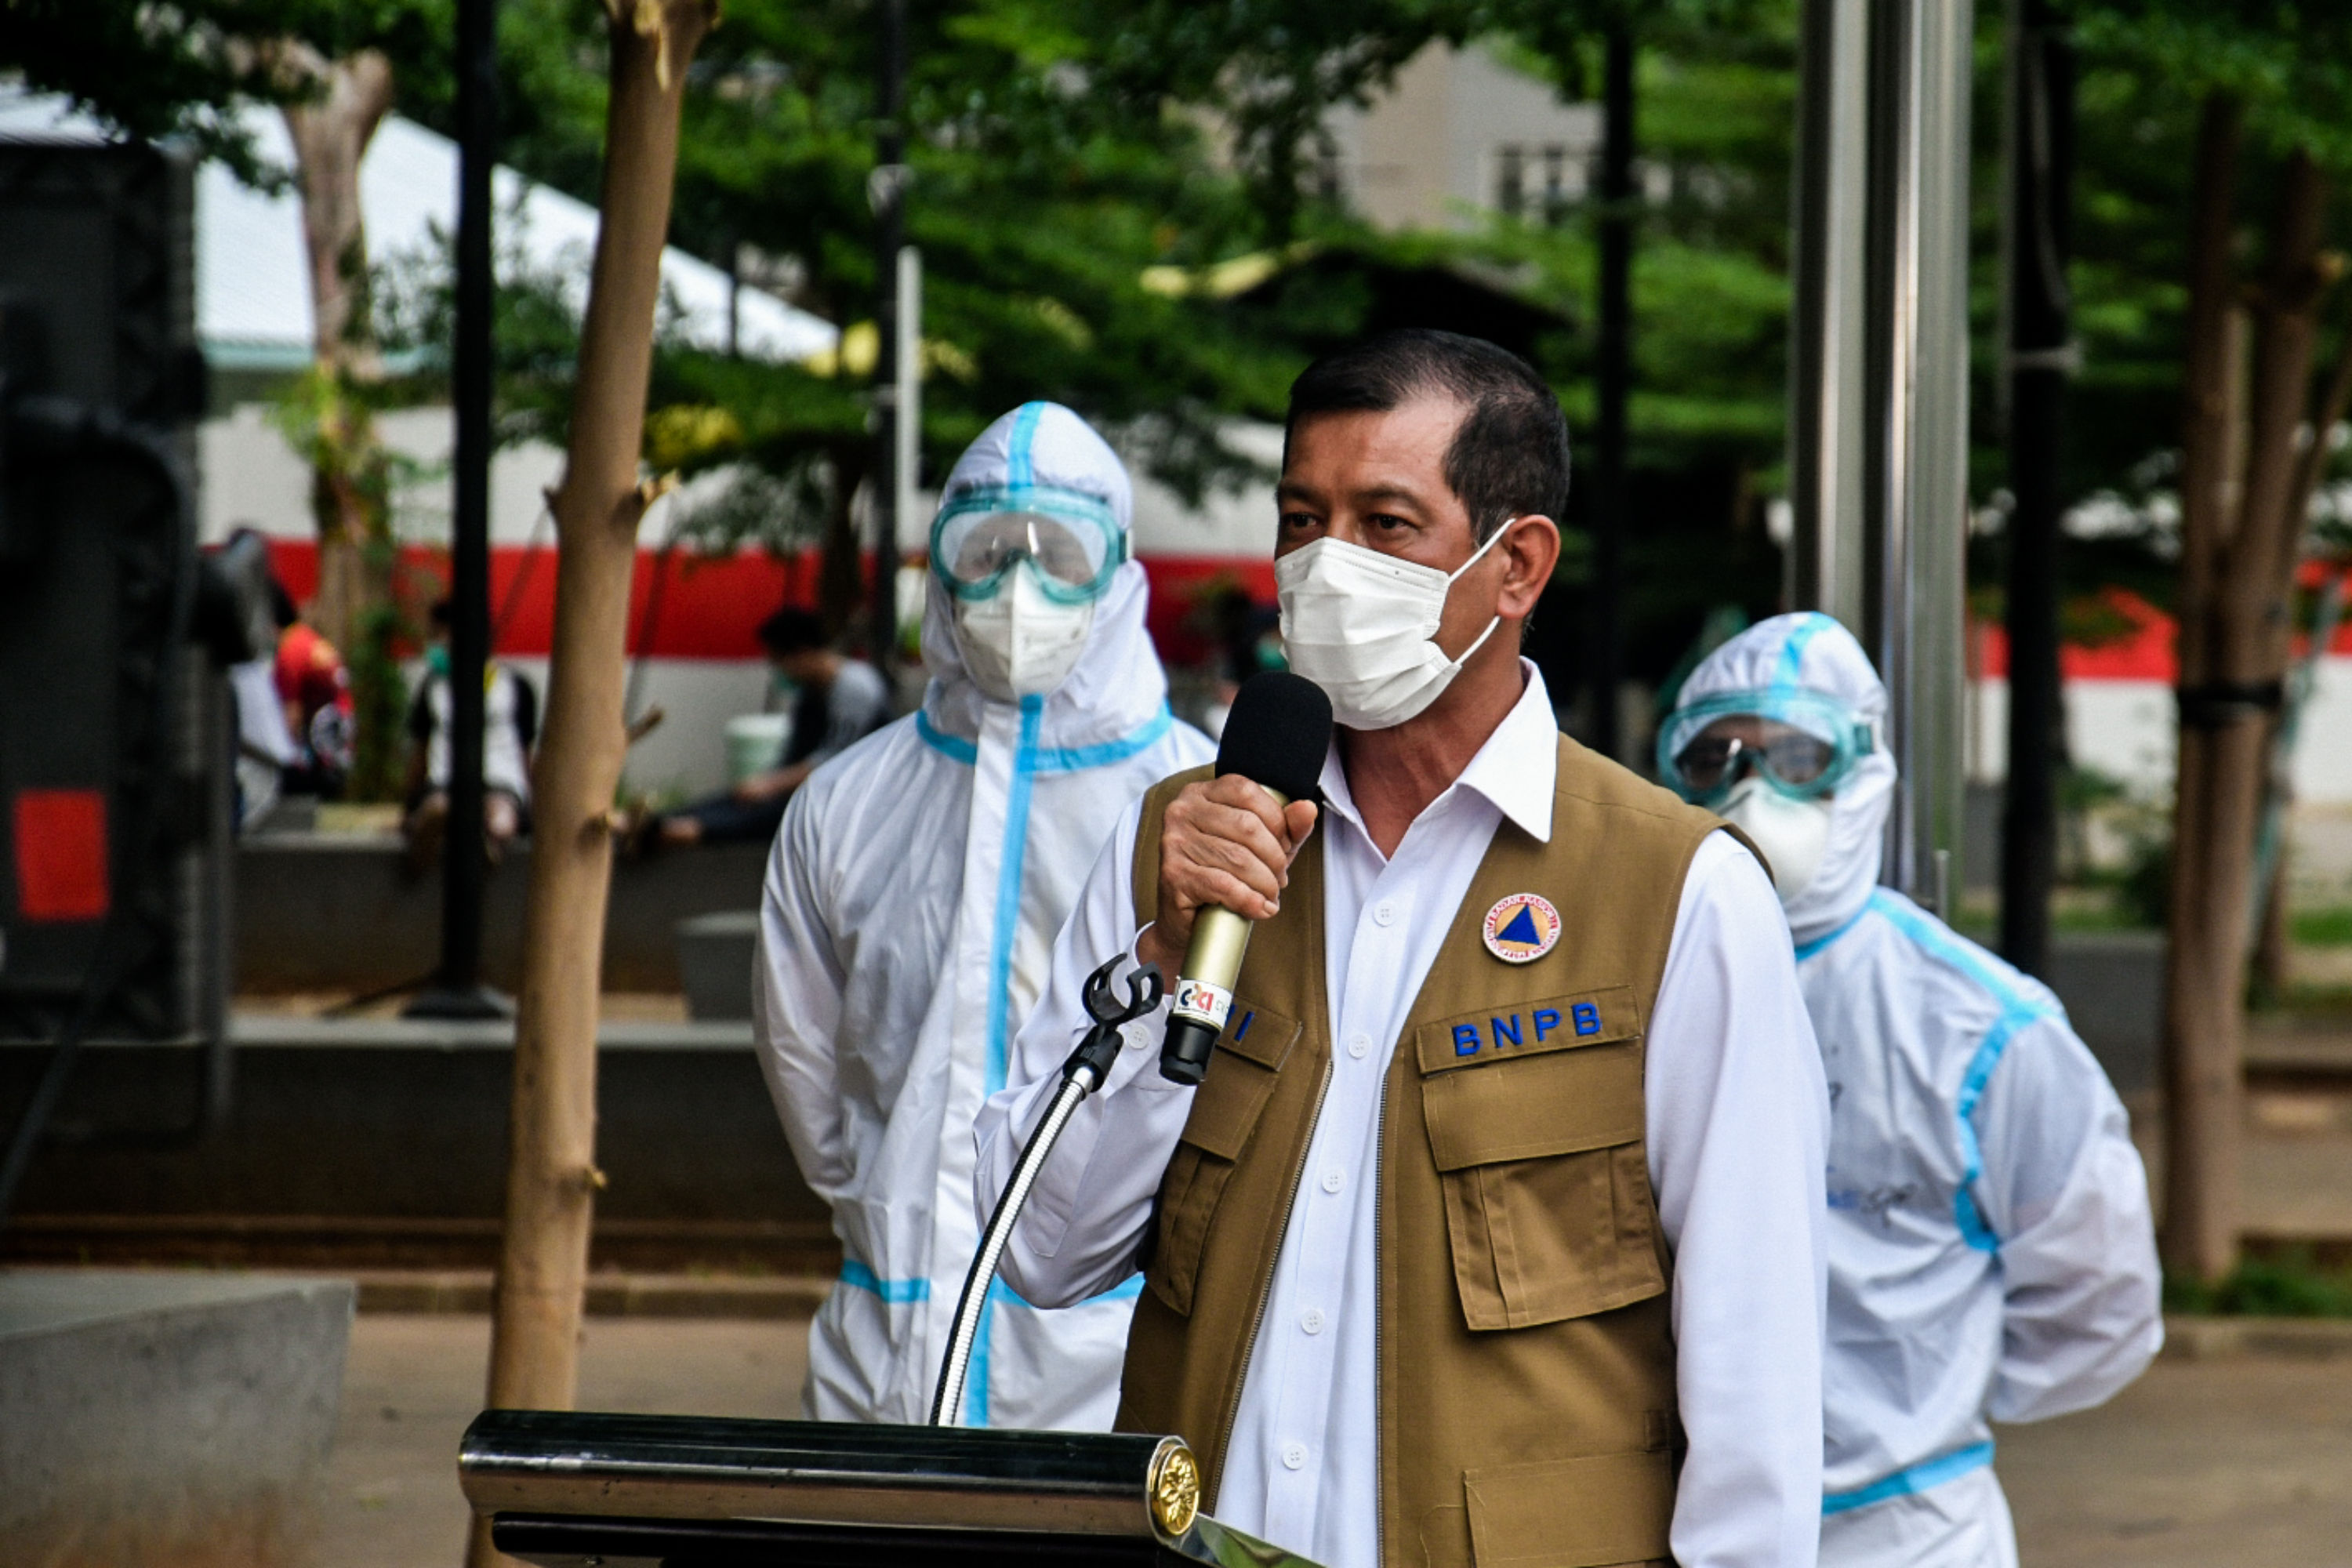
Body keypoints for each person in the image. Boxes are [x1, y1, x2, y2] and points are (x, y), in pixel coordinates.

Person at [975, 332, 1829, 1568]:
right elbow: (1045, 1254)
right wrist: (1164, 963)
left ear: (1516, 565)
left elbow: (1756, 1368)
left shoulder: (1677, 895)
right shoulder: (1180, 842)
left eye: (1387, 525)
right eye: (1301, 521)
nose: (1327, 567)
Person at [1660, 613, 2162, 1568]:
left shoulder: (1982, 1026)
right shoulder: (1636, 982)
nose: (1755, 790)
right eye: (1718, 754)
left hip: (1908, 1534)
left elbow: (2101, 1303)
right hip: (1683, 1519)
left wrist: (1925, 1396)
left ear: (1868, 774)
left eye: (1800, 756)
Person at [756, 401, 1214, 1427]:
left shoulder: (1203, 804)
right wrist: (896, 1220)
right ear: (939, 569)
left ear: (1120, 571)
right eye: (990, 551)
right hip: (885, 1359)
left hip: (1121, 1371)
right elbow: (809, 1075)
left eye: (1059, 553)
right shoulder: (846, 804)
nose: (1020, 587)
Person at [652, 607, 891, 849]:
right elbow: (795, 756)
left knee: (771, 815)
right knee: (737, 800)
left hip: (853, 798)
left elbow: (835, 761)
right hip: (813, 789)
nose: (779, 670)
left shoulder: (855, 689)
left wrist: (770, 784)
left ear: (802, 654)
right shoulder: (810, 694)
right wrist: (764, 783)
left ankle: (682, 832)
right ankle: (661, 823)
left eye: (779, 661)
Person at [404, 598, 538, 866]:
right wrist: (408, 803)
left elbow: (525, 754)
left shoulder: (515, 687)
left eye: (441, 637)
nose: (436, 646)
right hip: (445, 781)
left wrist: (533, 801)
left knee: (502, 815)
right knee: (440, 807)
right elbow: (422, 752)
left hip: (502, 782)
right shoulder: (433, 687)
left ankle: (487, 836)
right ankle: (445, 828)